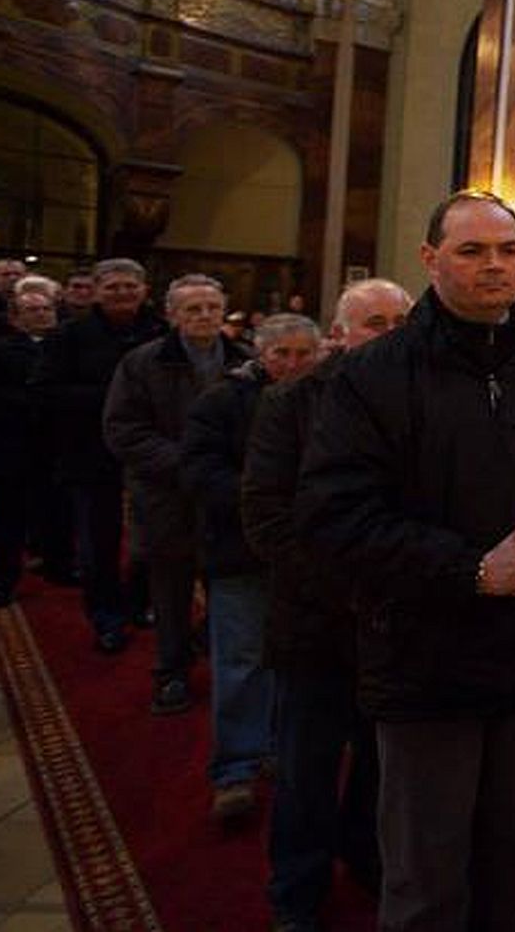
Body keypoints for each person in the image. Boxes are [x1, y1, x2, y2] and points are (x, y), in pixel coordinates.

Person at [294, 192, 515, 931]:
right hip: (423, 661)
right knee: (426, 879)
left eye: (508, 248)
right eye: (472, 251)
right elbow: (335, 517)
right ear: (431, 259)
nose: (495, 265)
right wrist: (473, 568)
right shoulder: (371, 376)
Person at [244, 278, 411, 932]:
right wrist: (348, 586)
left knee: (382, 765)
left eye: (402, 319)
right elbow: (266, 517)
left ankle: (365, 857)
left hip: (396, 625)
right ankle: (296, 888)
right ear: (341, 333)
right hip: (315, 623)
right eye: (376, 322)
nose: (392, 332)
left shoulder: (425, 401)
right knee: (306, 772)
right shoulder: (291, 405)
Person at [181, 312, 323, 822]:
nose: (291, 363)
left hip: (306, 557)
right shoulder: (224, 401)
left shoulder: (330, 400)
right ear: (260, 355)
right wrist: (262, 505)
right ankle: (236, 767)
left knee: (296, 660)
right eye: (281, 354)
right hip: (239, 552)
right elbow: (198, 469)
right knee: (241, 661)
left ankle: (280, 749)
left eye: (302, 353)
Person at [104, 273, 251, 715]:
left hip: (225, 499)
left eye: (211, 307)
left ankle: (223, 668)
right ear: (172, 316)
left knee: (230, 591)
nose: (205, 316)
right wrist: (187, 465)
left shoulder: (244, 361)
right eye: (193, 309)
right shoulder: (142, 363)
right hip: (167, 497)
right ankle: (170, 673)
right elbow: (123, 430)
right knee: (170, 592)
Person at [32, 257, 168, 654]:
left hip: (150, 453)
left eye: (130, 286)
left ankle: (139, 602)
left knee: (154, 537)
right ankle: (106, 615)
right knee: (98, 543)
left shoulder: (162, 332)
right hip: (90, 452)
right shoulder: (68, 337)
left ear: (144, 290)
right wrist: (116, 397)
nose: (122, 293)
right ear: (96, 290)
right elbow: (45, 392)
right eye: (112, 287)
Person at [0, 284, 60, 607]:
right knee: (5, 519)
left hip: (56, 446)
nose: (41, 315)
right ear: (14, 318)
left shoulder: (65, 345)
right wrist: (37, 400)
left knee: (56, 512)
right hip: (12, 444)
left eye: (46, 309)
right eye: (33, 310)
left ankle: (57, 564)